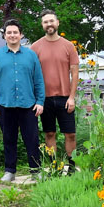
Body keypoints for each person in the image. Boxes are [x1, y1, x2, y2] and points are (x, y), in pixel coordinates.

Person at [0, 19, 45, 182]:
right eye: (9, 32)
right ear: (4, 36)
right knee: (8, 138)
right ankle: (9, 171)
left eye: (15, 32)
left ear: (21, 35)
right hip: (5, 104)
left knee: (32, 138)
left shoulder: (31, 55)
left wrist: (40, 101)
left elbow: (38, 80)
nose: (12, 35)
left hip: (29, 105)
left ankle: (35, 170)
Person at [30, 9, 80, 173]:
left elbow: (75, 73)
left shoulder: (68, 46)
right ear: (42, 25)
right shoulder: (35, 47)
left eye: (51, 21)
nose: (49, 24)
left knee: (70, 134)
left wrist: (72, 97)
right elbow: (30, 74)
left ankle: (70, 167)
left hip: (65, 98)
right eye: (45, 22)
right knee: (49, 133)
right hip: (44, 100)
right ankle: (54, 167)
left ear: (57, 23)